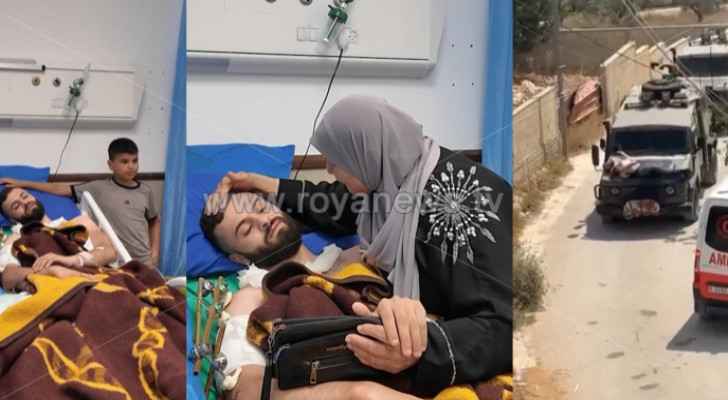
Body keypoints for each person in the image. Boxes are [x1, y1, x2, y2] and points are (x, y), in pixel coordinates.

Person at [202, 95, 513, 398]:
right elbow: (334, 203)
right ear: (236, 256)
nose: (329, 168)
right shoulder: (387, 185)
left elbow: (504, 325)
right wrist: (257, 183)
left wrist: (420, 349)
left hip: (458, 348)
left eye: (337, 159)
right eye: (244, 228)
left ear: (366, 153)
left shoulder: (465, 203)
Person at [0, 138, 161, 267]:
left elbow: (153, 221)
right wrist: (23, 183)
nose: (131, 166)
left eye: (135, 161)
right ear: (110, 165)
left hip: (144, 261)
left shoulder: (145, 191)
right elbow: (60, 188)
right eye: (125, 162)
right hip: (120, 263)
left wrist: (154, 254)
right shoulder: (98, 188)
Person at [0, 186, 117, 291]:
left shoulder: (79, 223)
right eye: (16, 206)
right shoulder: (16, 239)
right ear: (12, 220)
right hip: (56, 290)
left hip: (93, 278)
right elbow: (7, 277)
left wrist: (73, 260)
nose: (25, 202)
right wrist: (51, 271)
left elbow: (110, 252)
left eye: (25, 196)